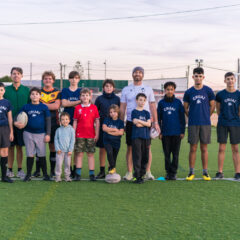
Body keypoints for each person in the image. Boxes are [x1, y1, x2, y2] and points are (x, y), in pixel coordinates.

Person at [120, 66, 160, 181]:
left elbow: (152, 106)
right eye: (135, 72)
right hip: (130, 122)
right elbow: (122, 107)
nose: (137, 74)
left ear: (142, 75)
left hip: (146, 122)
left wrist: (155, 122)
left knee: (147, 148)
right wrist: (121, 124)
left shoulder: (148, 89)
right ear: (132, 74)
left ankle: (147, 171)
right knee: (130, 147)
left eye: (139, 72)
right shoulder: (126, 89)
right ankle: (129, 172)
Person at [183, 67, 215, 181]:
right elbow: (185, 107)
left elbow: (212, 106)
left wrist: (207, 115)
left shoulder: (208, 90)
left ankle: (205, 172)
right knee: (193, 148)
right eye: (196, 76)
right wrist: (191, 116)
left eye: (200, 76)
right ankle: (191, 172)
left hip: (205, 123)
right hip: (193, 123)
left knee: (204, 148)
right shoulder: (189, 92)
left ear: (203, 77)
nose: (198, 78)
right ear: (193, 77)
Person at [14, 87, 51, 181]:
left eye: (36, 94)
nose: (34, 96)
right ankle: (28, 175)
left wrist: (48, 134)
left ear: (40, 96)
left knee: (42, 154)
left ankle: (45, 174)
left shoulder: (44, 107)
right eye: (33, 94)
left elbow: (48, 121)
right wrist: (16, 122)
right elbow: (17, 117)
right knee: (30, 154)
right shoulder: (26, 107)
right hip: (28, 133)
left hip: (41, 134)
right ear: (30, 96)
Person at [33, 71, 61, 178]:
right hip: (40, 122)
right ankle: (37, 170)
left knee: (52, 147)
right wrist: (49, 105)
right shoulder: (38, 92)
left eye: (50, 78)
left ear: (53, 80)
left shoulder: (57, 92)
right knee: (38, 147)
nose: (47, 80)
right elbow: (49, 105)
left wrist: (42, 104)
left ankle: (52, 171)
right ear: (43, 80)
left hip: (54, 122)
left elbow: (56, 106)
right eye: (45, 78)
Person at [4, 67, 30, 179]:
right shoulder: (6, 90)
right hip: (9, 123)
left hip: (22, 124)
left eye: (18, 73)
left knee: (19, 147)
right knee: (10, 147)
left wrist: (24, 122)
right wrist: (11, 122)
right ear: (11, 76)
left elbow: (29, 106)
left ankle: (20, 169)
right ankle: (9, 169)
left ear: (22, 76)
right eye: (14, 74)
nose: (16, 75)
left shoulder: (26, 90)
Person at [157, 82, 185, 180]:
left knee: (175, 154)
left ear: (174, 90)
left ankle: (174, 172)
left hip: (177, 133)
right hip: (165, 133)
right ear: (165, 90)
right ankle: (168, 172)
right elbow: (158, 118)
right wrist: (160, 132)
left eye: (171, 89)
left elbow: (182, 118)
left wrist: (182, 131)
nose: (169, 91)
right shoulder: (161, 103)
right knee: (167, 154)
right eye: (168, 89)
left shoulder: (178, 102)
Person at [215, 72, 240, 180]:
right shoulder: (220, 94)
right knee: (221, 148)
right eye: (228, 79)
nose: (230, 81)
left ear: (235, 80)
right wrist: (224, 118)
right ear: (225, 80)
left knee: (235, 148)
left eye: (232, 79)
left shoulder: (238, 94)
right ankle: (220, 172)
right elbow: (218, 110)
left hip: (235, 124)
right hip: (223, 123)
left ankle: (238, 172)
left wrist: (235, 119)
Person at [95, 79, 120, 179]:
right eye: (106, 86)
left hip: (114, 127)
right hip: (103, 127)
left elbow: (119, 113)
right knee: (102, 149)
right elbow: (96, 113)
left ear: (113, 88)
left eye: (110, 86)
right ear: (103, 88)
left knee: (113, 149)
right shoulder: (99, 99)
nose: (108, 88)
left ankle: (111, 169)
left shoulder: (117, 99)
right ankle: (102, 171)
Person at [73, 88, 100, 181]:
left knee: (90, 154)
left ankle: (92, 174)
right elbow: (75, 122)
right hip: (79, 135)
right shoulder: (77, 108)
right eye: (83, 95)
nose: (85, 97)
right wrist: (74, 134)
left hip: (91, 135)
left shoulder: (94, 107)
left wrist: (97, 134)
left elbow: (97, 121)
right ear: (80, 97)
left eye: (87, 95)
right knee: (79, 154)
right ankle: (78, 174)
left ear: (90, 97)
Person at [61, 71, 81, 177]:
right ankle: (68, 168)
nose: (74, 80)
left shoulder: (81, 90)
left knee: (76, 146)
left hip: (79, 121)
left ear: (79, 80)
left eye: (76, 78)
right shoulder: (65, 90)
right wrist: (78, 102)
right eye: (72, 78)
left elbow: (85, 102)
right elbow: (64, 103)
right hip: (66, 121)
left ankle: (75, 168)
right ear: (69, 79)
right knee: (67, 146)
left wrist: (70, 103)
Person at [131, 93, 151, 184]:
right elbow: (136, 123)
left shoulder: (146, 112)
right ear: (136, 100)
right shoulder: (134, 112)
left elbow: (149, 124)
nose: (142, 102)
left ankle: (142, 174)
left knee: (145, 157)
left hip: (146, 137)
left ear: (145, 101)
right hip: (136, 137)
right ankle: (137, 176)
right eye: (140, 100)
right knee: (137, 156)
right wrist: (144, 123)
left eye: (143, 100)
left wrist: (140, 122)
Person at [102, 104, 124, 174]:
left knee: (114, 157)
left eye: (114, 112)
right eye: (111, 112)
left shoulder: (120, 122)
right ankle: (112, 167)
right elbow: (104, 128)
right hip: (107, 141)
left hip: (116, 143)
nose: (112, 113)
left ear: (117, 113)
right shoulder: (107, 119)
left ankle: (110, 169)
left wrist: (110, 132)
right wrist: (114, 129)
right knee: (109, 152)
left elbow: (121, 133)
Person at [54, 112, 75, 182]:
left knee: (68, 164)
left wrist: (70, 150)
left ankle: (67, 176)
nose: (65, 121)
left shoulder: (71, 130)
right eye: (62, 119)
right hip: (60, 151)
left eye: (66, 119)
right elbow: (56, 140)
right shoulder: (58, 130)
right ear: (60, 121)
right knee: (58, 164)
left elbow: (72, 140)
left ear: (69, 120)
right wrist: (57, 149)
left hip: (68, 152)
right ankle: (58, 176)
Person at [0, 82, 14, 183]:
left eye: (1, 90)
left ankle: (4, 176)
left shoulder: (7, 102)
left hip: (4, 129)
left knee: (4, 152)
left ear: (4, 91)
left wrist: (11, 132)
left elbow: (10, 118)